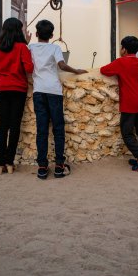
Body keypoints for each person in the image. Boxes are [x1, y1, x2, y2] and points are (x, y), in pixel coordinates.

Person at [29, 19, 88, 180]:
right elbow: (62, 65)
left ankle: (42, 167)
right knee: (58, 129)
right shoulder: (55, 47)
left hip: (39, 91)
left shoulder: (30, 47)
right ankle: (59, 166)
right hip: (54, 91)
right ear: (52, 35)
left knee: (42, 130)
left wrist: (25, 41)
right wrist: (76, 71)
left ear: (36, 34)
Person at [100, 36, 138, 171]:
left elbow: (103, 70)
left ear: (124, 49)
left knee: (126, 132)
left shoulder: (121, 62)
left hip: (130, 102)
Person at [0, 17, 34, 175]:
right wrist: (27, 47)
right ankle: (10, 163)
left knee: (3, 125)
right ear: (18, 30)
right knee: (15, 126)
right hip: (18, 89)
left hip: (3, 89)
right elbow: (29, 68)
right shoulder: (22, 47)